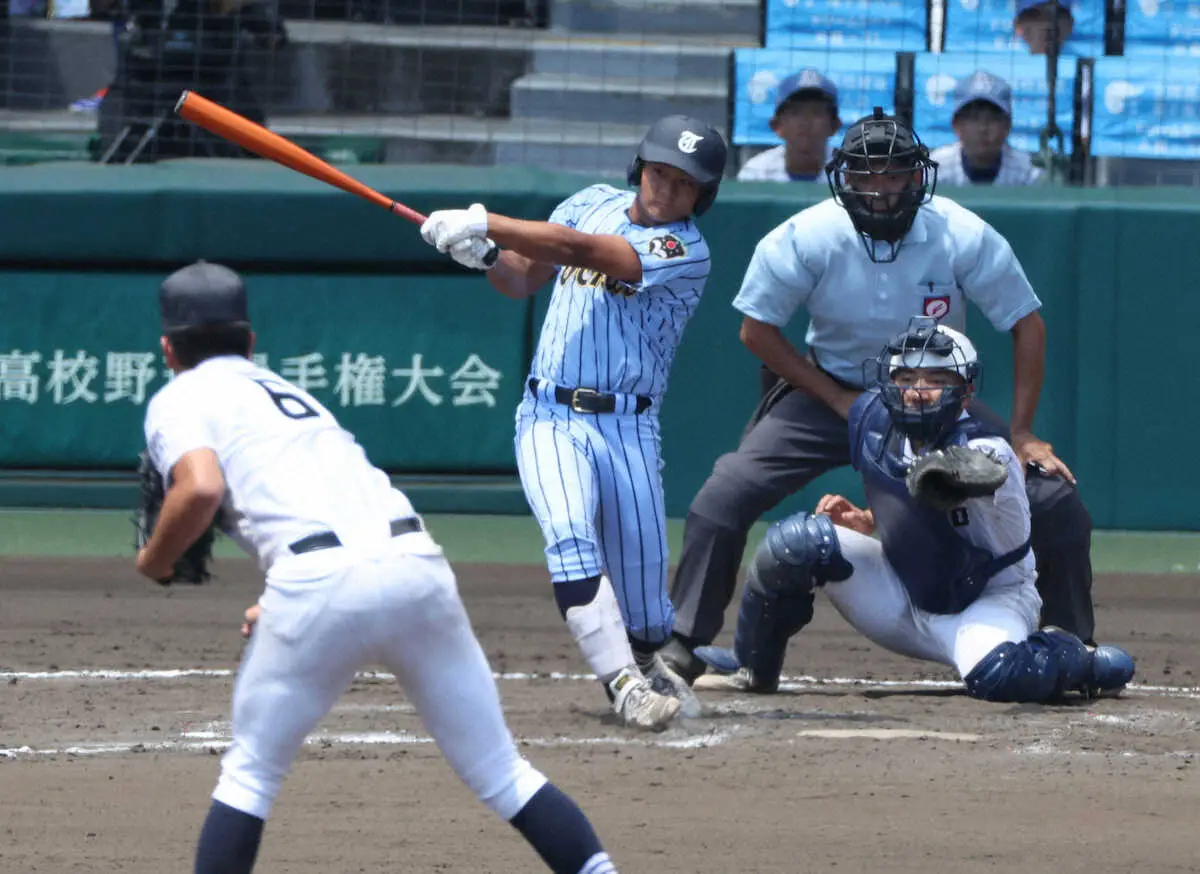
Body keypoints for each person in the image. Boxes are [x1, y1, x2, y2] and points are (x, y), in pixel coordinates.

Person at [135, 261, 620, 874]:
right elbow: (329, 500)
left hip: (319, 586)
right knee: (503, 772)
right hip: (414, 566)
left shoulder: (179, 397)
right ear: (250, 341)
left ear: (168, 349)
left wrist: (154, 559)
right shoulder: (290, 395)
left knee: (250, 775)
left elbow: (199, 490)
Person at [659, 108, 1100, 689]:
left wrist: (1021, 432)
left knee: (1051, 498)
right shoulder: (806, 236)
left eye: (893, 175)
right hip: (827, 389)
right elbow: (756, 331)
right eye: (865, 177)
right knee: (726, 492)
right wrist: (837, 398)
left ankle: (1074, 646)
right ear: (842, 179)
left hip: (933, 400)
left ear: (919, 177)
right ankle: (687, 641)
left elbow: (1028, 324)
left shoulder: (959, 233)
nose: (880, 190)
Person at [418, 115, 729, 730]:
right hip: (549, 414)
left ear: (702, 195)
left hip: (630, 429)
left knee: (647, 618)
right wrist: (484, 257)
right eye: (658, 172)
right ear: (639, 166)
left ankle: (645, 658)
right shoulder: (591, 202)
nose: (664, 189)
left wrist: (485, 221)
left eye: (682, 182)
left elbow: (580, 251)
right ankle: (624, 687)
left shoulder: (685, 250)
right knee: (567, 534)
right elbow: (522, 276)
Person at [691, 319, 1135, 701]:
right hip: (899, 594)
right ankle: (751, 666)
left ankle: (1080, 659)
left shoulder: (986, 444)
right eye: (905, 380)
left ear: (965, 393)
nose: (917, 393)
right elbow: (909, 489)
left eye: (936, 380)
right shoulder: (868, 418)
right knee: (794, 544)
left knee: (1001, 676)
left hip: (985, 599)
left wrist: (949, 474)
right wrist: (872, 519)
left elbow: (969, 477)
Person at [929, 70, 1042, 187]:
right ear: (956, 125)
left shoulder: (1027, 172)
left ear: (1007, 125)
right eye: (974, 118)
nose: (983, 128)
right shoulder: (937, 168)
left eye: (993, 119)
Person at [737, 68, 841, 183]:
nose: (805, 121)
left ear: (834, 125)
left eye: (816, 112)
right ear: (777, 126)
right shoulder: (757, 172)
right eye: (795, 112)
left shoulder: (847, 173)